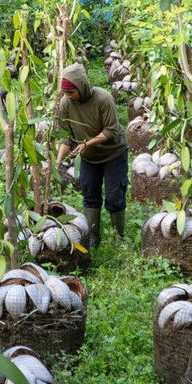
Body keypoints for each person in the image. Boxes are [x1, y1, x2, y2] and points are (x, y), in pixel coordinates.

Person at [55, 61, 128, 248]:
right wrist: (57, 162)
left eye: (71, 92)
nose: (68, 96)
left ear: (82, 86)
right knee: (90, 196)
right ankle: (94, 238)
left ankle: (119, 238)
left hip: (113, 153)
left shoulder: (103, 99)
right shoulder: (65, 104)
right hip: (89, 158)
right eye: (66, 93)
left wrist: (86, 143)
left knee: (114, 196)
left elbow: (112, 130)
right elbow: (65, 137)